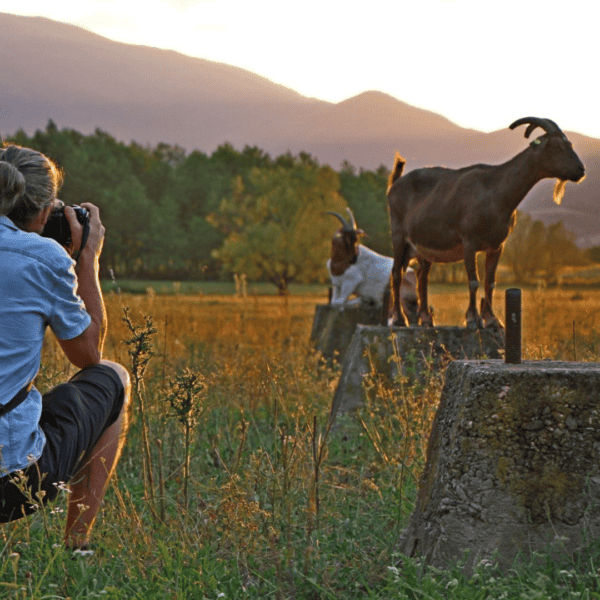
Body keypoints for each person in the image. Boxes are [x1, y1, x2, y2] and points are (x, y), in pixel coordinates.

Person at [0, 144, 130, 549]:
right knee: (114, 377)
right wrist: (86, 260)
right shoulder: (43, 257)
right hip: (10, 480)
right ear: (43, 213)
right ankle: (77, 547)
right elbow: (88, 356)